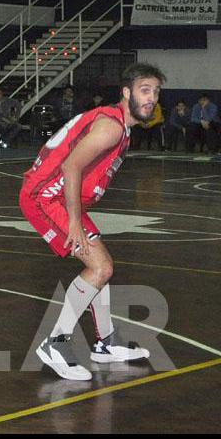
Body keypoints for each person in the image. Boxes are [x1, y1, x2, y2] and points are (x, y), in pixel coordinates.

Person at [20, 62, 162, 381]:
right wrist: (73, 221)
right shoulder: (111, 126)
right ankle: (55, 342)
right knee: (100, 267)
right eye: (145, 90)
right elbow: (72, 167)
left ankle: (105, 343)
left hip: (59, 196)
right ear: (126, 93)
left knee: (102, 267)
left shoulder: (119, 127)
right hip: (45, 197)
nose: (151, 98)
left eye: (155, 91)